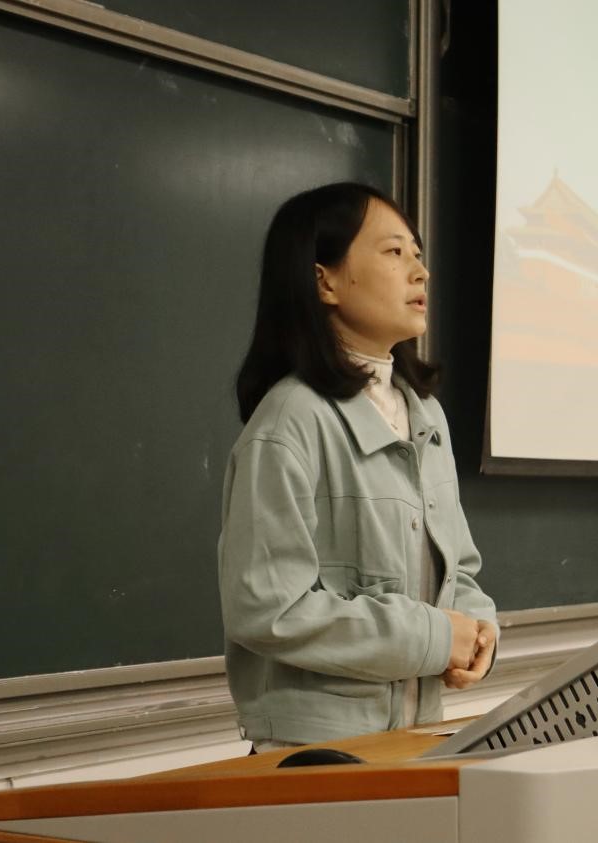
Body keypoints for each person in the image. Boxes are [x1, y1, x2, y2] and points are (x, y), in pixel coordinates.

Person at [218, 182, 498, 751]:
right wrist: (433, 636)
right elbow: (270, 608)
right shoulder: (292, 419)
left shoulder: (425, 415)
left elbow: (459, 570)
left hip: (416, 739)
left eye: (418, 253)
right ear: (324, 281)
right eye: (394, 252)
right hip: (313, 756)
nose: (420, 272)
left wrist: (479, 630)